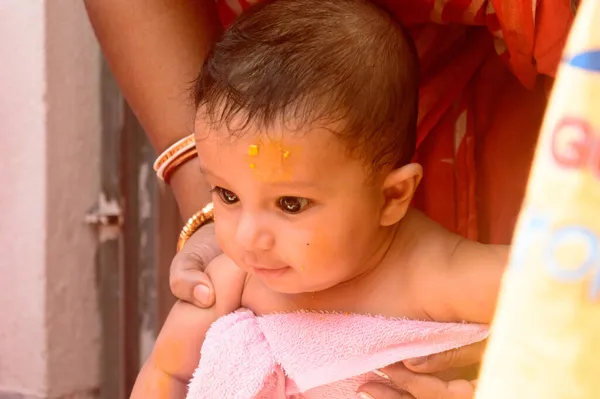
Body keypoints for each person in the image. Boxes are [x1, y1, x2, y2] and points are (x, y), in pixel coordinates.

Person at [129, 1, 507, 397]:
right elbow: (165, 374)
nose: (248, 236)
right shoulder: (232, 281)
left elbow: (567, 307)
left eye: (290, 204)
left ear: (391, 197)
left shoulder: (435, 276)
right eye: (228, 194)